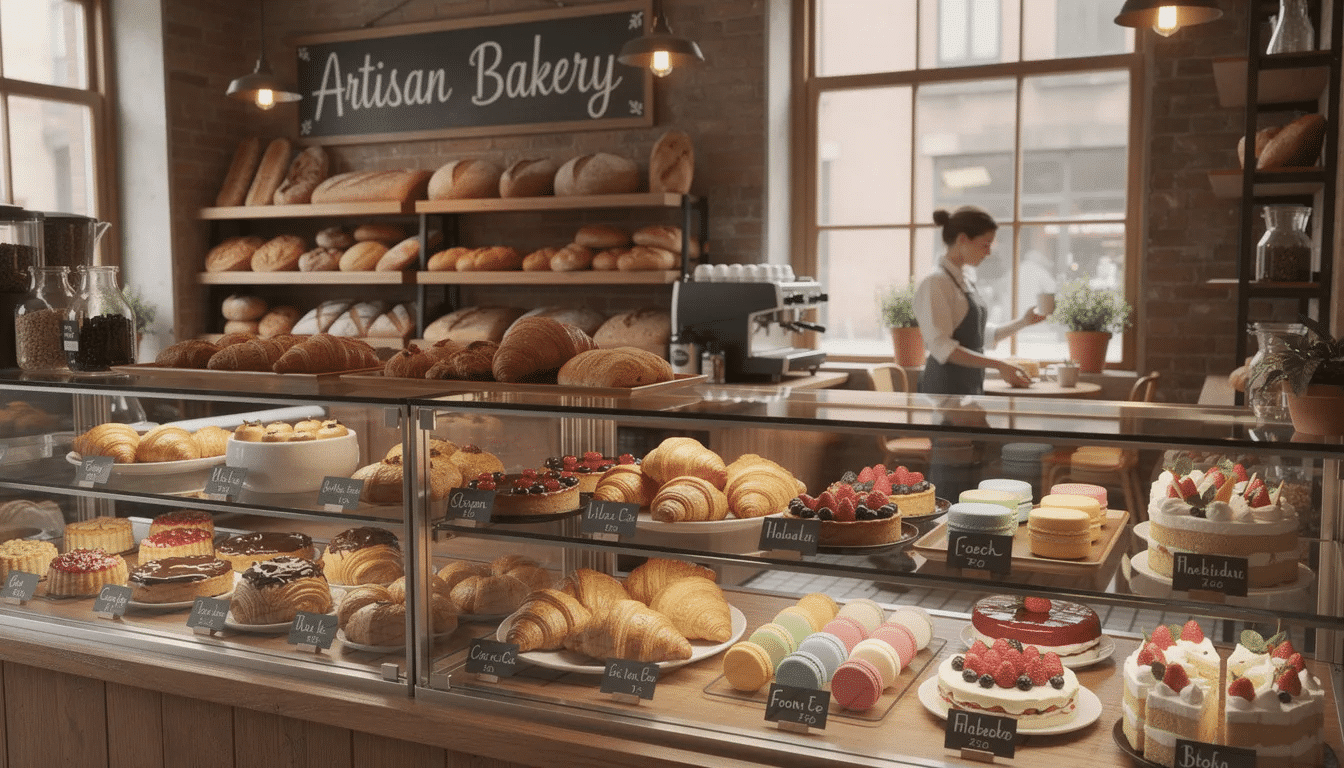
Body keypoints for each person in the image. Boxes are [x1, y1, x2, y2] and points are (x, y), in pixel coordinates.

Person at [914, 206, 1047, 395]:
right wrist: (999, 365)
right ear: (962, 239)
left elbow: (978, 337)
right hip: (944, 388)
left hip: (969, 384)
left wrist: (1024, 322)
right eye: (985, 244)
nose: (989, 252)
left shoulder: (964, 280)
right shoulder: (936, 283)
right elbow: (942, 347)